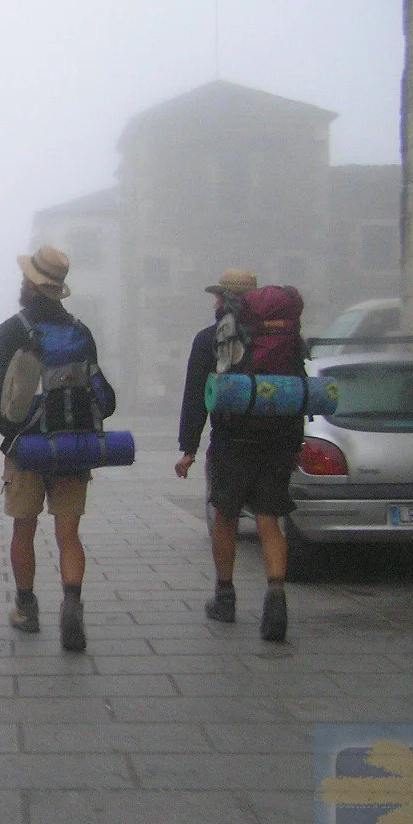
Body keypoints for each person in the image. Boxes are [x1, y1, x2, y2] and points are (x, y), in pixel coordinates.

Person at [0, 245, 109, 652]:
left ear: (28, 284)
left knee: (24, 528)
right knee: (69, 533)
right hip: (71, 446)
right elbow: (102, 394)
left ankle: (27, 609)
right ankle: (71, 604)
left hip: (26, 447)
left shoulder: (11, 329)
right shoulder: (80, 331)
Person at [174, 268, 304, 642]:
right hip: (278, 440)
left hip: (232, 442)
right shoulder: (288, 339)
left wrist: (189, 449)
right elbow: (296, 391)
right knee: (269, 519)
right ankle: (276, 596)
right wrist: (294, 444)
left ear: (223, 299)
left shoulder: (209, 339)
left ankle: (225, 597)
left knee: (226, 517)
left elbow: (195, 398)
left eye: (217, 296)